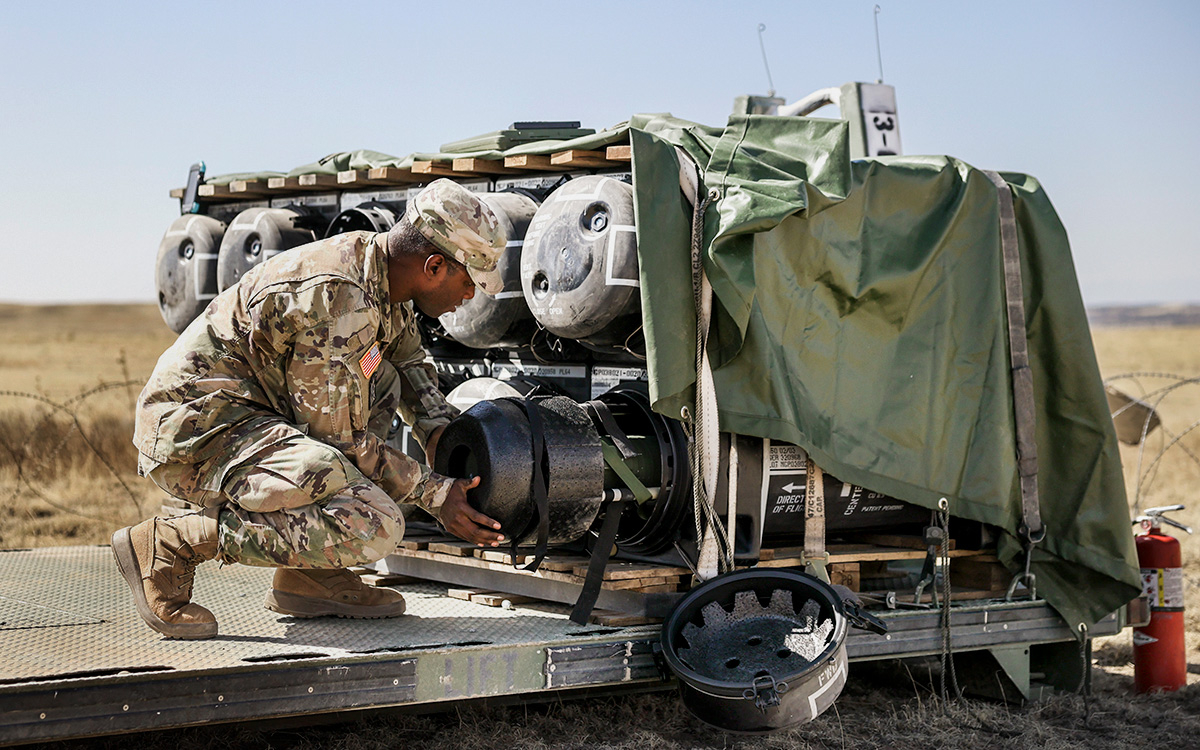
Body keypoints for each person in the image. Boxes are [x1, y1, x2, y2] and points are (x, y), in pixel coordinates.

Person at [113, 179, 506, 640]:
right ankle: (174, 542)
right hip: (198, 432)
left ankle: (309, 575)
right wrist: (436, 493)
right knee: (374, 523)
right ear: (434, 265)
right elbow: (338, 441)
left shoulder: (380, 271)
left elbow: (407, 361)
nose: (470, 297)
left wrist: (439, 432)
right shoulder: (342, 300)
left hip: (253, 414)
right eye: (469, 282)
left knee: (381, 380)